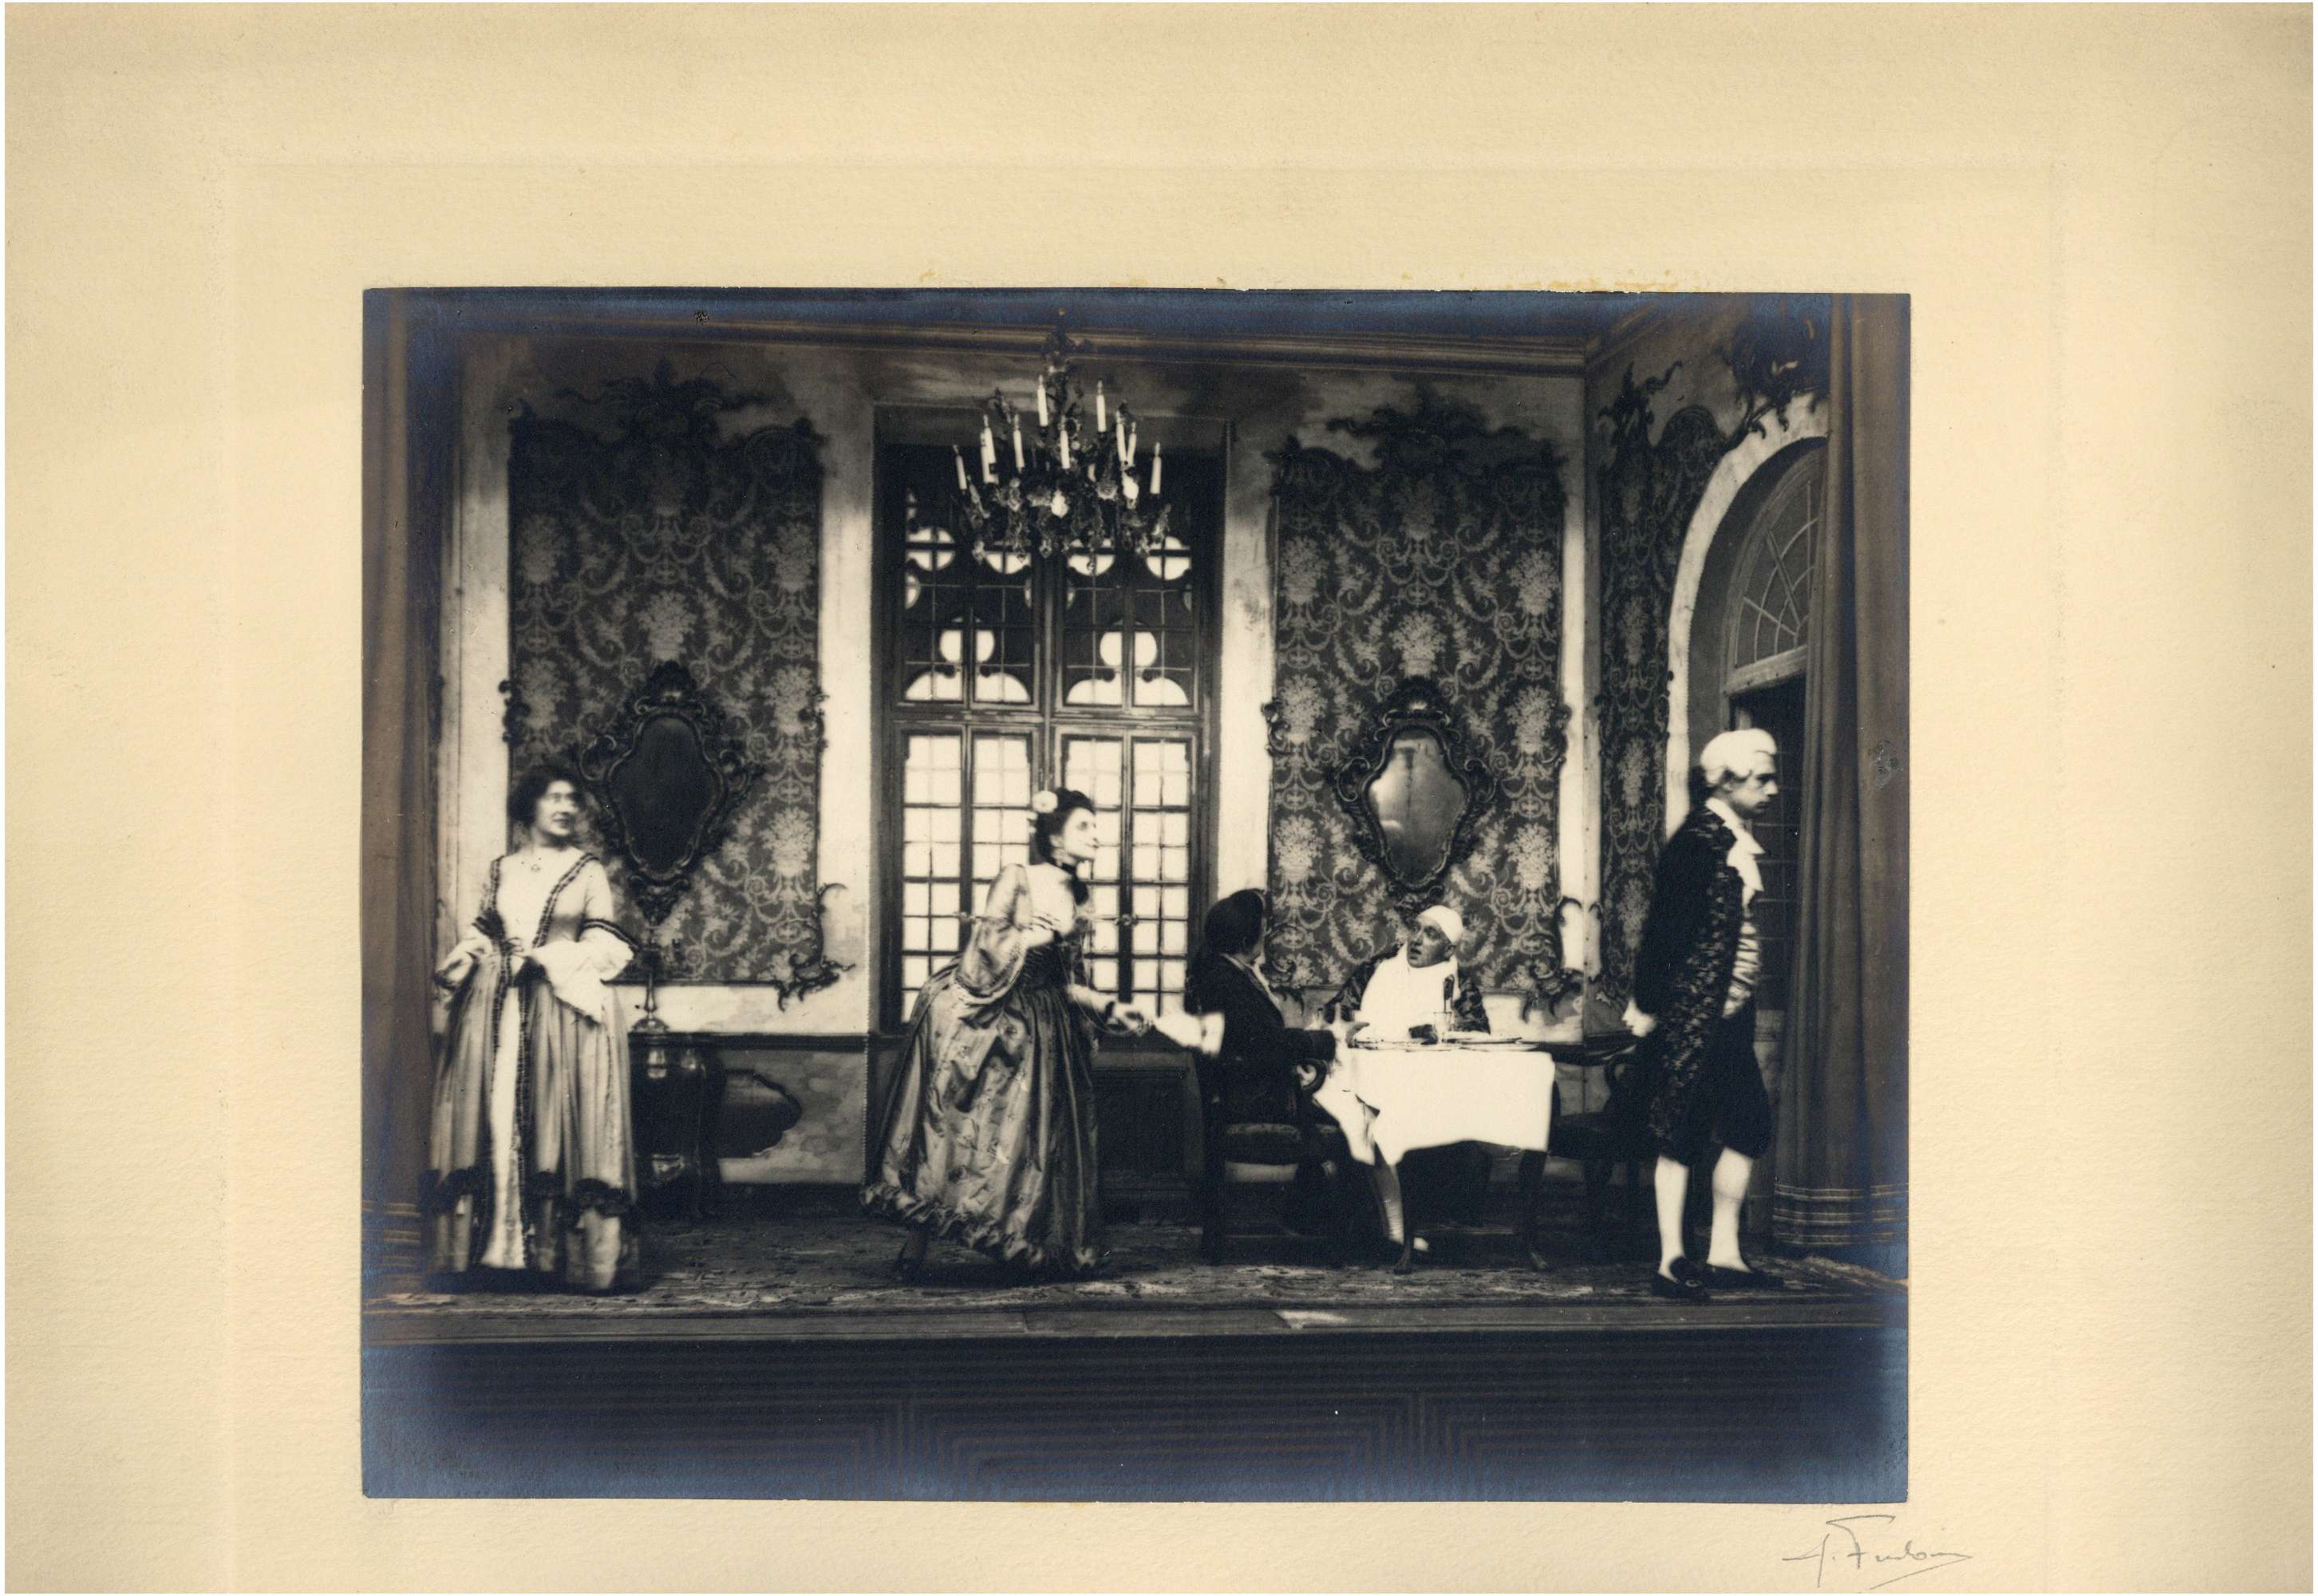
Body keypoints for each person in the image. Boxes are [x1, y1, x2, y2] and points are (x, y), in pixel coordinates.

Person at [863, 787, 1139, 1282]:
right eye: (1084, 826)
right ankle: (917, 1244)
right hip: (991, 1020)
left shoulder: (1081, 896)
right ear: (1054, 837)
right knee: (954, 1130)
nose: (1097, 835)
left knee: (1037, 1143)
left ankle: (1028, 1246)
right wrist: (1045, 934)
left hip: (1047, 1028)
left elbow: (1068, 980)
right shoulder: (1018, 877)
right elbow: (984, 951)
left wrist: (1108, 1005)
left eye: (1097, 826)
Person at [425, 762, 642, 1293]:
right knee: (496, 1112)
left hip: (560, 1008)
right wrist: (466, 959)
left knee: (551, 1120)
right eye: (554, 798)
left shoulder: (588, 871)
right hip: (495, 1008)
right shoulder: (501, 869)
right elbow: (483, 931)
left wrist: (543, 958)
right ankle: (494, 1255)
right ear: (530, 807)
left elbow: (606, 945)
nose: (566, 808)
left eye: (572, 800)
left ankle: (554, 1256)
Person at [1625, 727, 1786, 1302]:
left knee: (1748, 1124)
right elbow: (1663, 932)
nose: (1771, 789)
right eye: (1761, 779)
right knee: (1681, 1132)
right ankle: (1671, 1260)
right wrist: (1648, 1005)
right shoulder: (1696, 842)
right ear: (1724, 780)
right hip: (1692, 1017)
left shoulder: (1731, 838)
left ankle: (1722, 1253)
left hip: (1730, 1015)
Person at [1172, 889, 1368, 1261]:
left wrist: (1310, 1045)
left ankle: (1307, 1218)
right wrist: (1328, 1039)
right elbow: (1266, 1044)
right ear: (1246, 934)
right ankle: (1349, 1236)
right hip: (1254, 1101)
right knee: (1353, 1122)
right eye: (1263, 925)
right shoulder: (1226, 981)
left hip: (1247, 1094)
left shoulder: (1224, 973)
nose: (1266, 932)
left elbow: (1259, 1041)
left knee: (1344, 1113)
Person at [1332, 903, 1495, 1235]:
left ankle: (1427, 1218)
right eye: (1416, 929)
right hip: (1371, 1074)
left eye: (1431, 934)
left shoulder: (1458, 984)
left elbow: (1479, 1034)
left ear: (1448, 949)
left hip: (1432, 1083)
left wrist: (1442, 1033)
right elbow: (1336, 1015)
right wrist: (1348, 1028)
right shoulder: (1378, 969)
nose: (1416, 939)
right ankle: (1378, 1219)